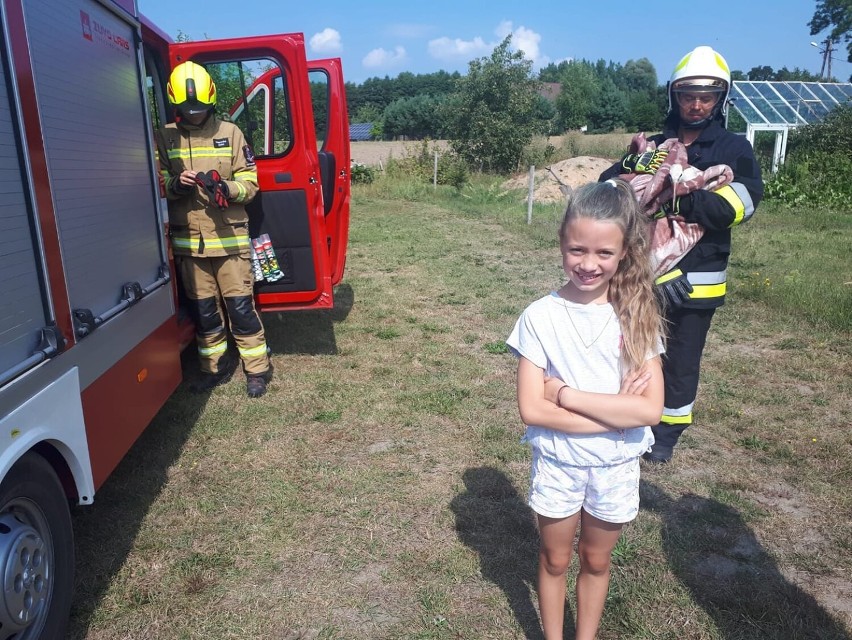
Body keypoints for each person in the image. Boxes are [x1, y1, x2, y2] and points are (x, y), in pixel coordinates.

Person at [506, 180, 665, 640]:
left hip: (616, 466)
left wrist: (567, 394)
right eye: (577, 250)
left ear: (622, 253)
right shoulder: (540, 317)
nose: (589, 264)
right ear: (561, 244)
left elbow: (651, 410)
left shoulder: (636, 313)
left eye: (603, 254)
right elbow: (532, 410)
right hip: (559, 462)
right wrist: (617, 410)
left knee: (597, 560)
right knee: (555, 559)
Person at [600, 45, 763, 463]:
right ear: (674, 96)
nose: (695, 104)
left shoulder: (734, 149)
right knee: (631, 349)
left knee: (680, 360)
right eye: (688, 95)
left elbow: (733, 208)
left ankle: (666, 434)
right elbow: (608, 187)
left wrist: (670, 199)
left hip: (695, 282)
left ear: (720, 99)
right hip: (641, 278)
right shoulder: (655, 144)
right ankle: (628, 416)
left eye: (706, 97)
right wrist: (638, 163)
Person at [156, 61, 273, 398]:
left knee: (240, 307)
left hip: (230, 241)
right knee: (205, 313)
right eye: (186, 108)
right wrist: (176, 183)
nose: (193, 114)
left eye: (199, 108)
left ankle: (257, 370)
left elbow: (250, 181)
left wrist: (228, 189)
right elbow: (153, 181)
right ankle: (214, 369)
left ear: (211, 101)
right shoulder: (164, 136)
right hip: (190, 244)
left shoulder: (231, 133)